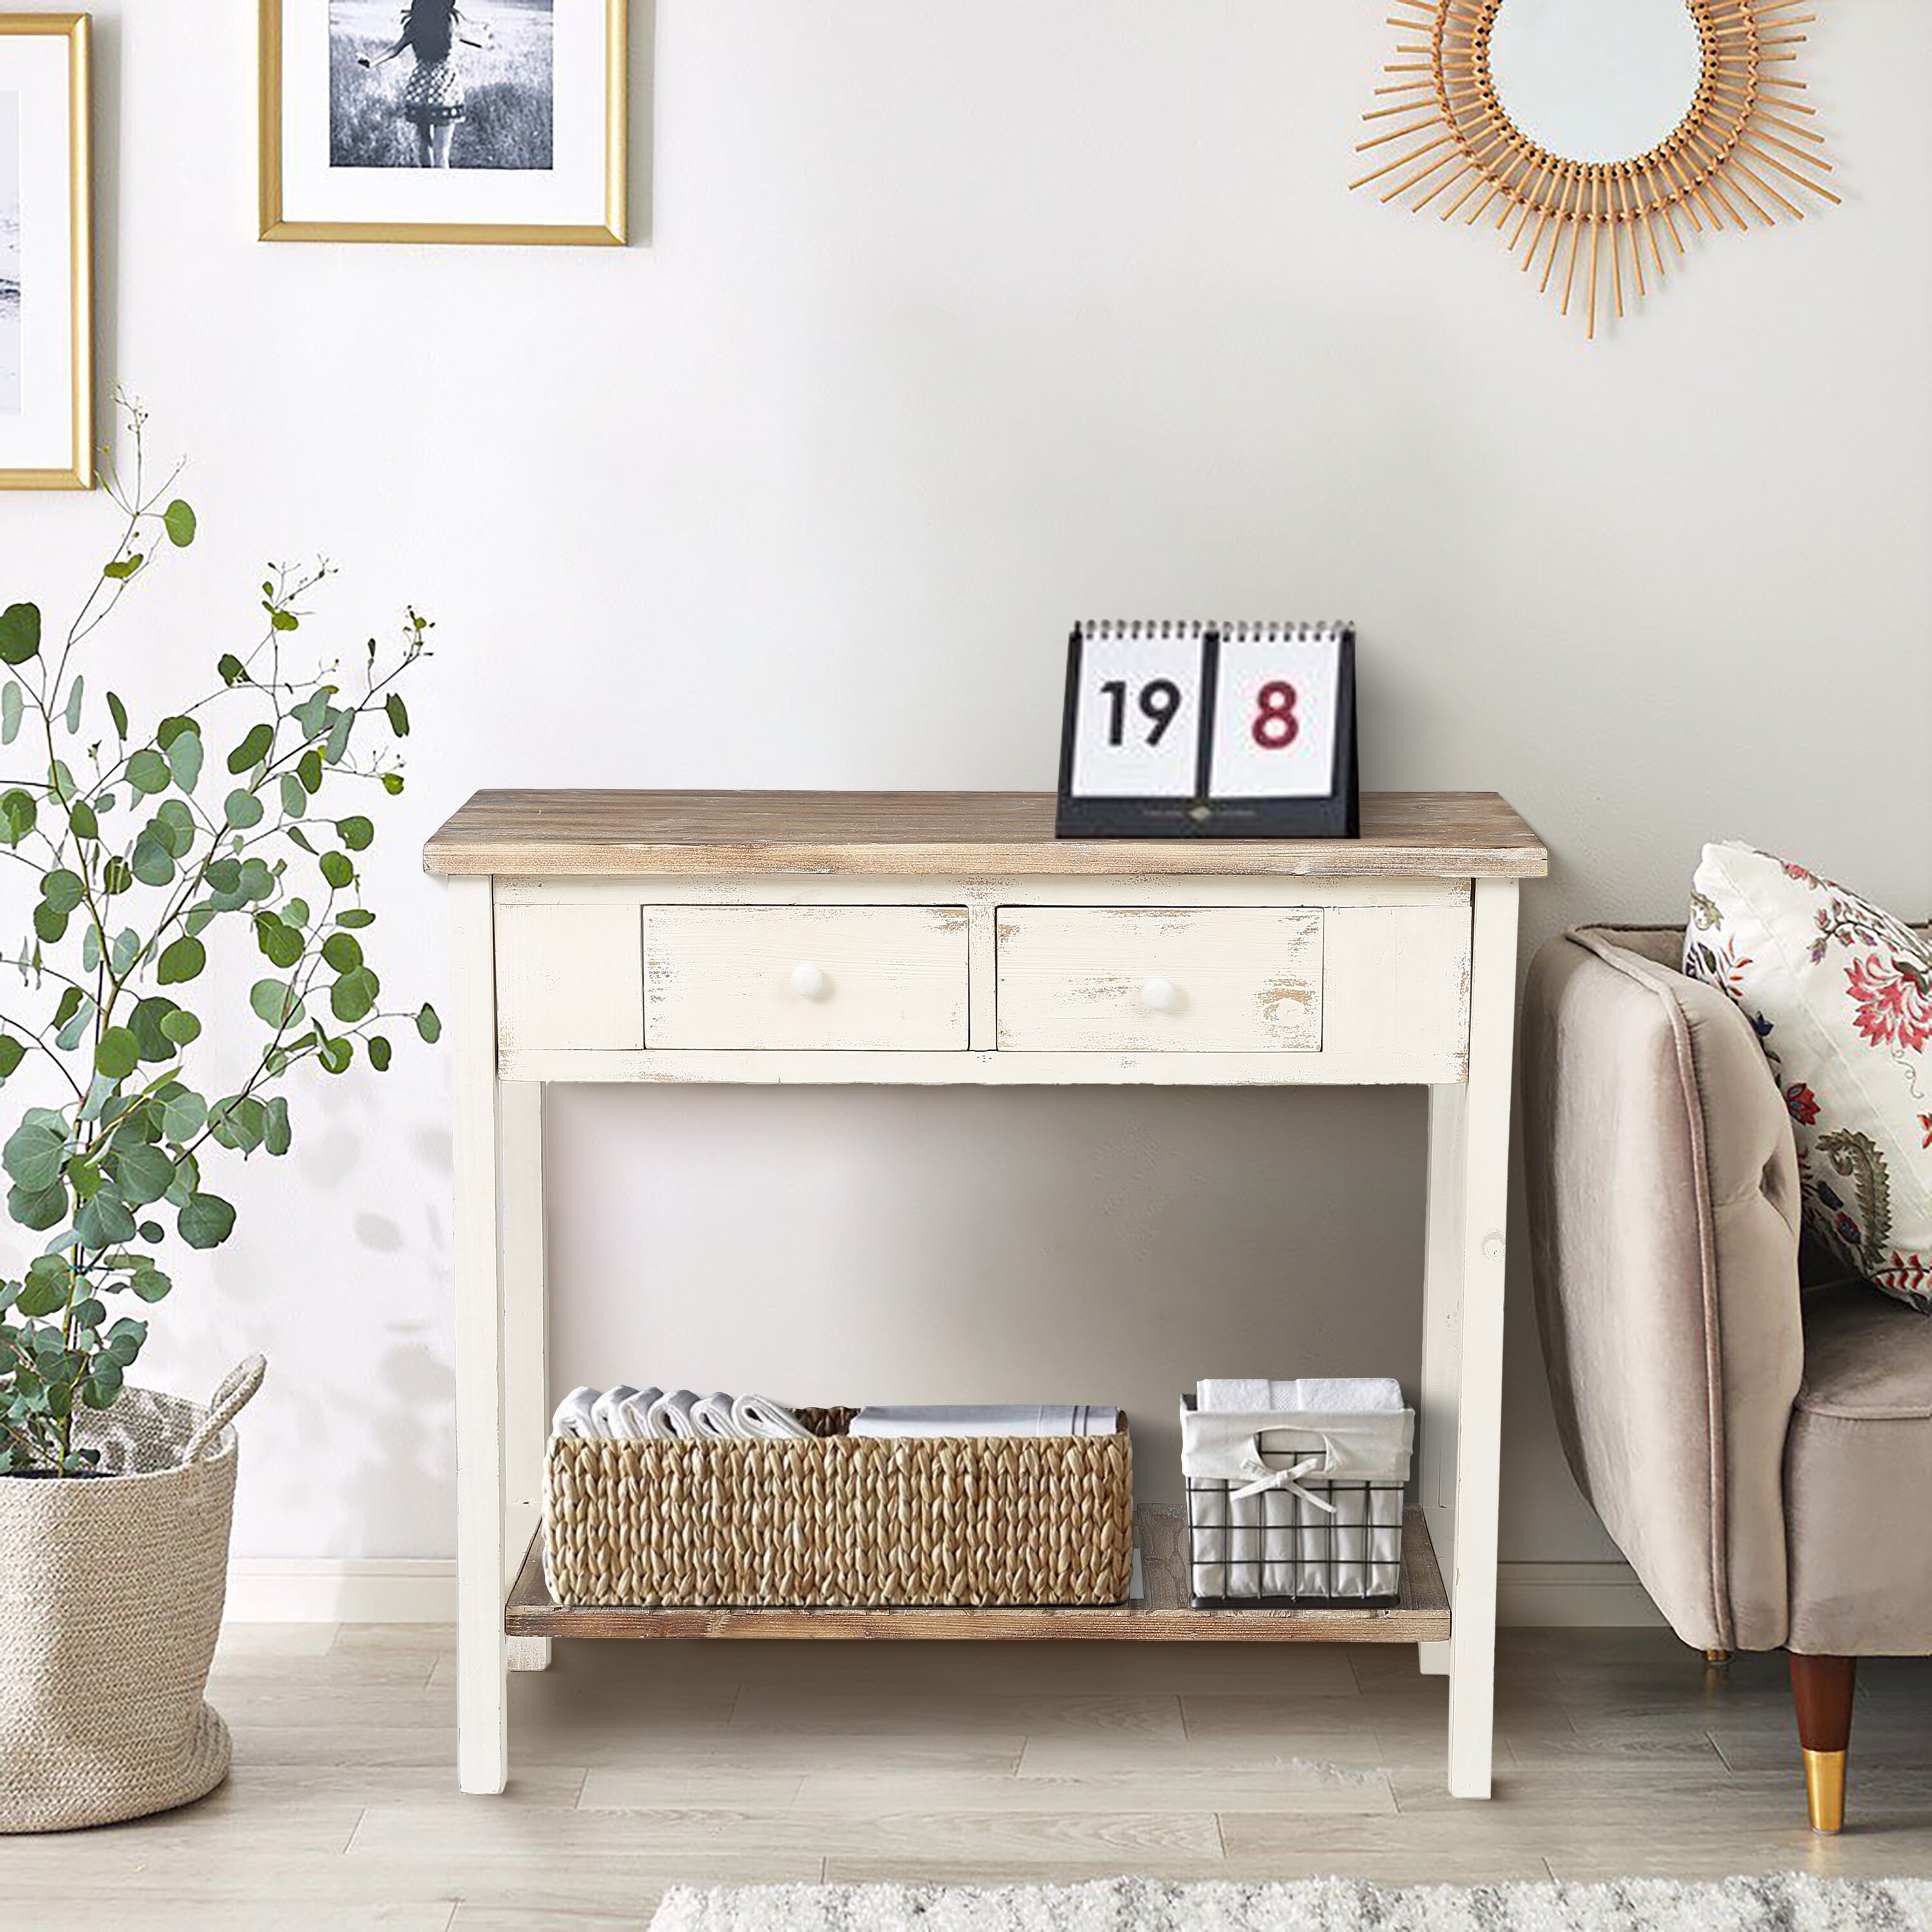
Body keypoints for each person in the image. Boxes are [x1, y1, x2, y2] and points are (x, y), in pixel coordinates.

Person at [357, 2, 492, 169]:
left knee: (424, 144)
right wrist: (487, 34)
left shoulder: (415, 26)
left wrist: (372, 62)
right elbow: (480, 43)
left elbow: (394, 50)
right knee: (442, 153)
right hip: (445, 87)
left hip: (421, 86)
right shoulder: (450, 23)